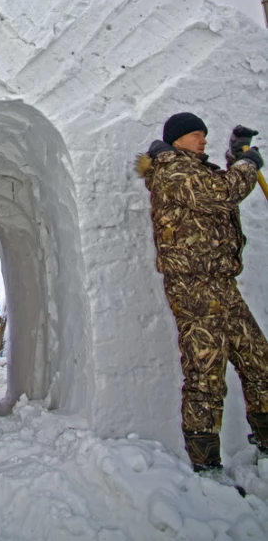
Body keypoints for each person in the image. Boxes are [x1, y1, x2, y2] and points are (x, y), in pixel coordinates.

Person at [137, 112, 268, 475]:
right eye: (197, 134)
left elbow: (219, 185)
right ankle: (206, 464)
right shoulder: (171, 170)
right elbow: (223, 193)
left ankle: (266, 443)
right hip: (193, 286)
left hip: (221, 283)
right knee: (206, 371)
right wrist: (246, 164)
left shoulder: (195, 169)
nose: (203, 140)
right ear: (178, 139)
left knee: (258, 359)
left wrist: (233, 156)